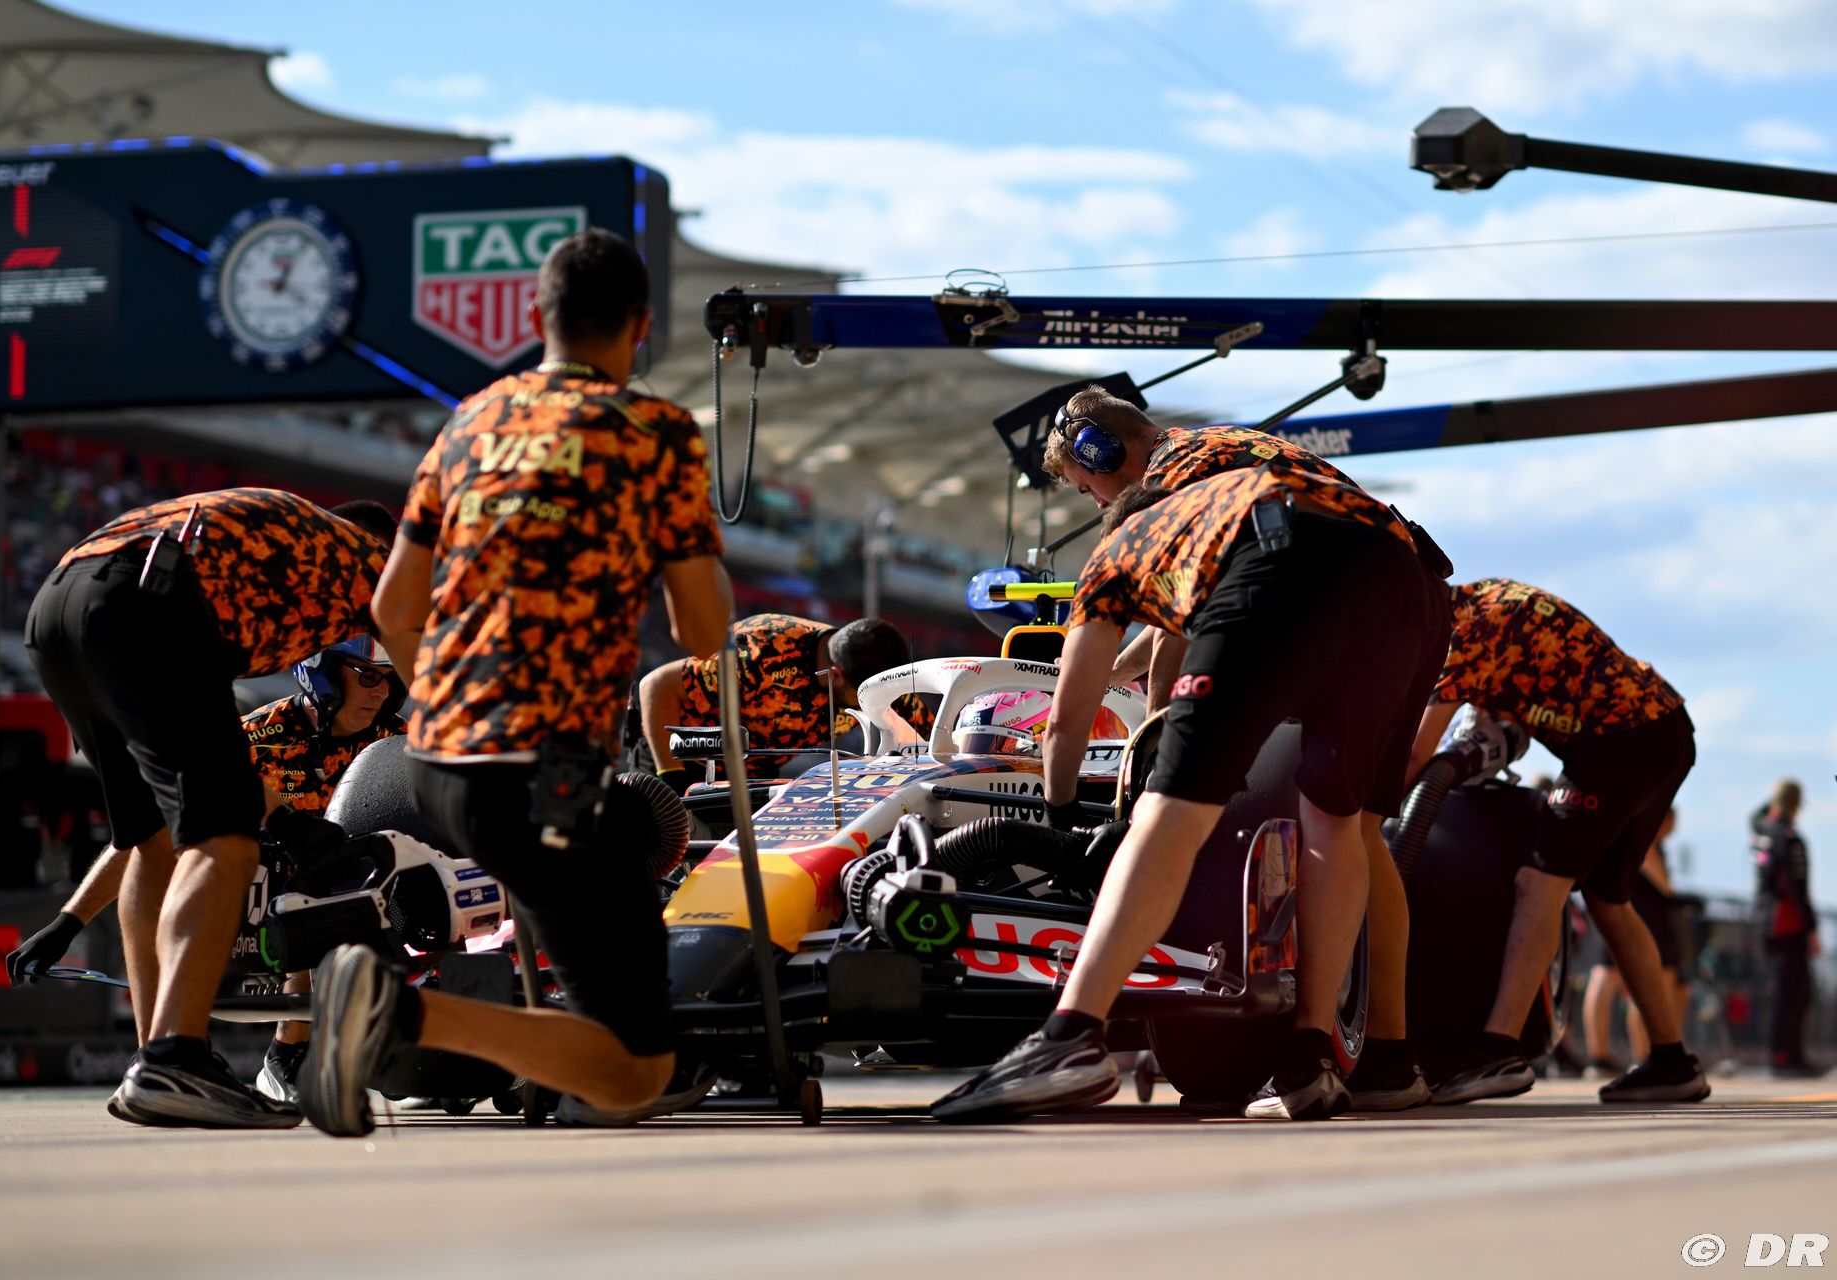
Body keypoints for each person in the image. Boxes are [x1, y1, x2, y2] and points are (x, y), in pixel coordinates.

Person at [296, 228, 734, 1138]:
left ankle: (393, 1011)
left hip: (434, 760)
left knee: (621, 1053)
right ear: (641, 326)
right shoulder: (655, 432)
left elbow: (392, 606)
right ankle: (390, 1009)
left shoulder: (471, 423)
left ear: (538, 317)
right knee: (637, 1068)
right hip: (547, 772)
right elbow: (701, 635)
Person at [931, 462, 1450, 1123]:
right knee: (1334, 817)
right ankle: (1310, 1056)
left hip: (1283, 556)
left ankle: (1070, 1037)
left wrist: (1061, 816)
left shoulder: (1121, 548)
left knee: (1170, 811)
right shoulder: (1207, 520)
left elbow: (1065, 718)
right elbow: (1170, 650)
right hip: (1408, 584)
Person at [24, 488, 394, 1127]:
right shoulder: (368, 566)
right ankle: (177, 1058)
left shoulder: (286, 549)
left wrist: (68, 919)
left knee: (151, 838)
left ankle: (153, 1062)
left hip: (60, 604)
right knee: (225, 840)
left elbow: (185, 777)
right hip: (149, 605)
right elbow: (432, 669)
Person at [7, 637, 406, 1100]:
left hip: (370, 898)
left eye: (389, 679)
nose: (381, 691)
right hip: (263, 909)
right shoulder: (250, 740)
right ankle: (273, 1053)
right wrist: (68, 922)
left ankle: (424, 1038)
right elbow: (149, 835)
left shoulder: (401, 744)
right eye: (367, 676)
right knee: (279, 865)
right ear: (324, 674)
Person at [1409, 579, 1709, 1105]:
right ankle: (1671, 1060)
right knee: (1609, 899)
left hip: (1618, 743)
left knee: (1539, 882)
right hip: (1665, 728)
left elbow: (1415, 757)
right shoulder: (1486, 599)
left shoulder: (1461, 642)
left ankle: (1498, 1049)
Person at [1041, 386, 1362, 698]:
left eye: (1087, 487)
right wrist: (1115, 672)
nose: (1099, 503)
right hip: (1369, 589)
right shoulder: (1208, 444)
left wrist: (1153, 729)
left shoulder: (1172, 478)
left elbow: (1175, 626)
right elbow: (1183, 605)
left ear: (1102, 454)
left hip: (1345, 605)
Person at [637, 614, 911, 789]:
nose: (879, 707)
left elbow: (930, 745)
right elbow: (656, 686)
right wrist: (672, 778)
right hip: (680, 757)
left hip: (754, 771)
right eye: (866, 698)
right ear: (835, 676)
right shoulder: (762, 654)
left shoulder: (882, 679)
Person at [1582, 808, 1688, 1071]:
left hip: (1621, 906)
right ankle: (1632, 1054)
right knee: (1632, 979)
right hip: (1631, 911)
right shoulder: (1641, 828)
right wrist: (1670, 890)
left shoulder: (1631, 828)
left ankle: (1633, 1054)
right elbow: (1658, 875)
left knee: (1623, 979)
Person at [1752, 779, 1821, 1077]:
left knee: (1785, 992)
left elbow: (1756, 816)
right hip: (1787, 923)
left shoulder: (1762, 831)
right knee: (1794, 993)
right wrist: (1812, 928)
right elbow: (1797, 887)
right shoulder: (1788, 838)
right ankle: (1787, 1056)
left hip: (1766, 920)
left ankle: (1787, 1055)